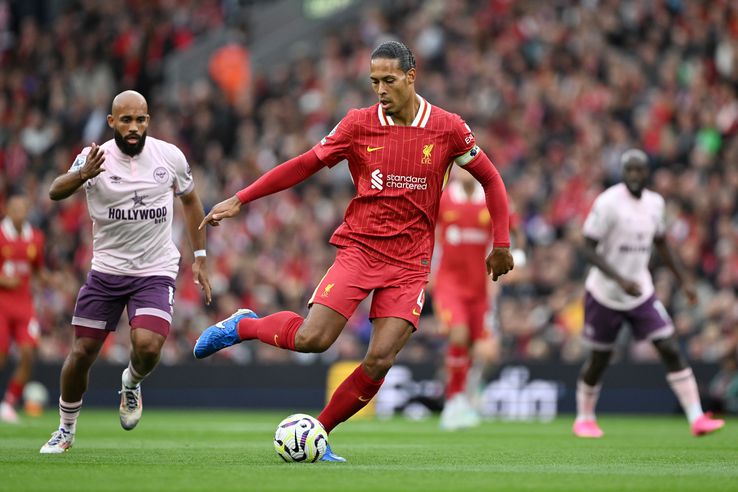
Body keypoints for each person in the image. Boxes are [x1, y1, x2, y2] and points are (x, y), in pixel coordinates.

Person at [193, 41, 513, 461]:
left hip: (410, 263)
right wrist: (243, 198)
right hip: (360, 250)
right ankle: (245, 325)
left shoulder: (448, 128)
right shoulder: (358, 124)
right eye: (374, 81)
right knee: (313, 339)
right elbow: (304, 164)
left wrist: (502, 243)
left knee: (380, 359)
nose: (380, 89)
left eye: (389, 80)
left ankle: (318, 432)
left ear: (411, 77)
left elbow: (491, 179)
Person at [39, 90, 212, 453]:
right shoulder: (93, 157)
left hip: (155, 270)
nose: (133, 127)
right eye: (126, 120)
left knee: (148, 347)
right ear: (112, 122)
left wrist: (199, 255)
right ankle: (65, 430)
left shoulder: (169, 157)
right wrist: (82, 173)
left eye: (140, 120)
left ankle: (130, 384)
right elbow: (55, 191)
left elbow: (192, 200)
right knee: (82, 352)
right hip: (106, 272)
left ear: (148, 121)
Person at [573, 149, 724, 438]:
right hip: (605, 293)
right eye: (628, 170)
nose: (633, 175)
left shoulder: (655, 203)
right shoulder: (608, 203)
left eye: (639, 170)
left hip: (640, 291)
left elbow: (662, 244)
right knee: (599, 359)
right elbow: (587, 247)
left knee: (668, 346)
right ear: (622, 172)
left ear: (647, 173)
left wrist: (685, 281)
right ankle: (584, 418)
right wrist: (618, 279)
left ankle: (696, 417)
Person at [431, 168, 526, 431]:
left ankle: (465, 399)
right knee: (459, 335)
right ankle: (453, 402)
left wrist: (515, 258)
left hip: (482, 288)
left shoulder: (491, 199)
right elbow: (424, 231)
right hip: (449, 285)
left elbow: (514, 230)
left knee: (483, 350)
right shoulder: (443, 199)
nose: (463, 172)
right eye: (458, 167)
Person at [0, 192, 45, 423]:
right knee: (2, 353)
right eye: (15, 209)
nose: (19, 213)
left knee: (28, 354)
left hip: (25, 304)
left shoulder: (35, 238)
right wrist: (3, 280)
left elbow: (38, 270)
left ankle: (8, 402)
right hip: (2, 304)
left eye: (23, 209)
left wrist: (51, 279)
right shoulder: (0, 235)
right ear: (7, 210)